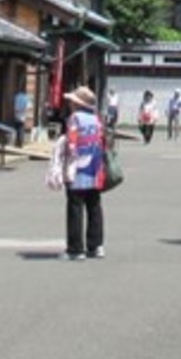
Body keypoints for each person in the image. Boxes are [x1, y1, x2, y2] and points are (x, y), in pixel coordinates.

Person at [50, 87, 108, 260]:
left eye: (72, 101)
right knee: (94, 207)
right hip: (95, 168)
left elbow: (72, 144)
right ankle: (96, 245)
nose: (70, 103)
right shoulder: (96, 119)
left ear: (77, 103)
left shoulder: (74, 118)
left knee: (75, 207)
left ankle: (75, 249)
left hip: (78, 168)